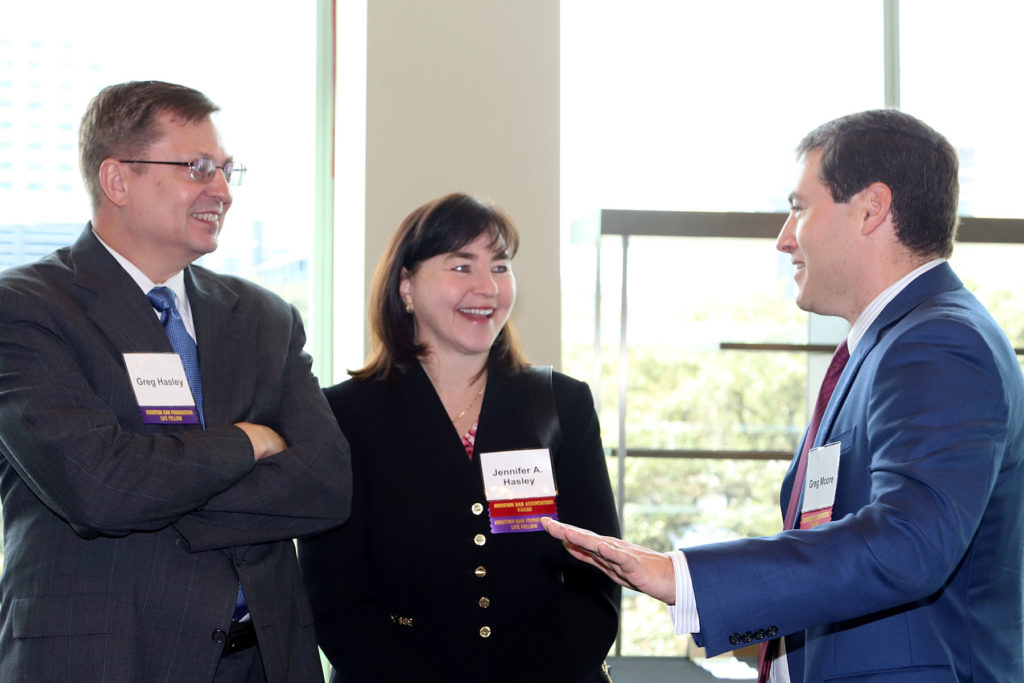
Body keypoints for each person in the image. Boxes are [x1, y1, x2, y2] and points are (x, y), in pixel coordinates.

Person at [543, 110, 1024, 682]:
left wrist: (685, 577)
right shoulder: (888, 344)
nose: (784, 238)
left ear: (872, 208)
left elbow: (907, 543)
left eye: (799, 207)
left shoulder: (939, 342)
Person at [0, 80, 352, 682]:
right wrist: (248, 442)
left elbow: (325, 485)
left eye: (226, 171)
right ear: (118, 181)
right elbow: (100, 488)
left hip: (261, 662)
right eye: (197, 168)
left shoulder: (266, 318)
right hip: (102, 660)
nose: (221, 191)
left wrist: (157, 489)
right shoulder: (27, 308)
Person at [298, 192, 620, 682]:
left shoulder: (562, 404)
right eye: (462, 267)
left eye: (500, 266)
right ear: (406, 286)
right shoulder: (345, 414)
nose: (488, 287)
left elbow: (596, 573)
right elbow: (335, 596)